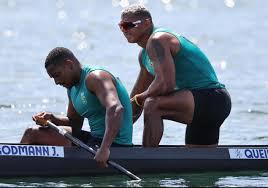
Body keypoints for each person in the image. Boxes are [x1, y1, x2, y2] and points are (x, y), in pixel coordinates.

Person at [118, 4, 231, 147]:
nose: (124, 30)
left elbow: (166, 84)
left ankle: (147, 157)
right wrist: (113, 134)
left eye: (128, 25)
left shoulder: (158, 40)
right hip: (201, 105)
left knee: (153, 105)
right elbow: (136, 98)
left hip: (210, 98)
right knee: (200, 163)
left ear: (147, 23)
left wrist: (139, 99)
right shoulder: (144, 56)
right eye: (121, 26)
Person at [20, 47, 133, 167]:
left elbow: (116, 108)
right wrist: (52, 119)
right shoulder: (72, 88)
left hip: (114, 144)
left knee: (33, 135)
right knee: (32, 133)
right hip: (94, 140)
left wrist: (104, 149)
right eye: (53, 78)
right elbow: (75, 123)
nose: (56, 82)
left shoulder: (95, 77)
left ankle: (16, 168)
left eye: (57, 75)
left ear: (69, 64)